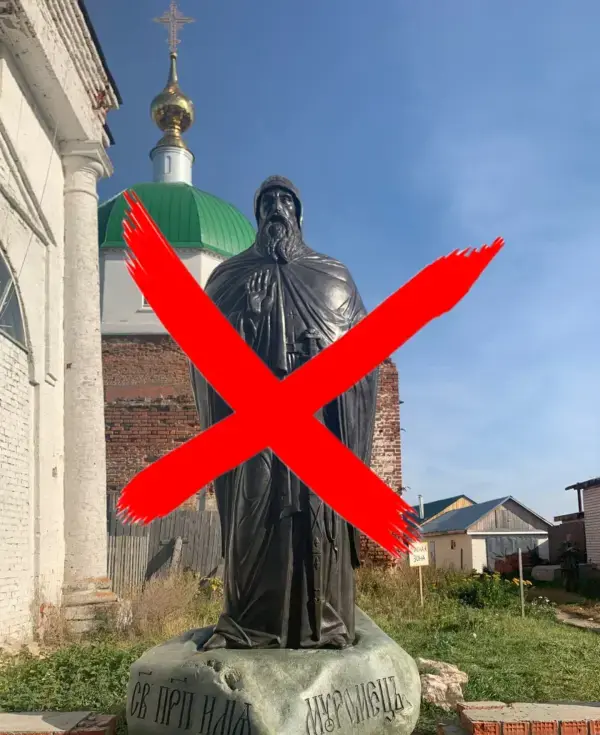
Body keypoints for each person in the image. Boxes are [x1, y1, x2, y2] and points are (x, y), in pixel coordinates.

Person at [190, 176, 379, 650]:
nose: (276, 208)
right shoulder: (229, 277)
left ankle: (325, 624)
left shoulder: (333, 275)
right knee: (254, 513)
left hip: (316, 420)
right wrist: (248, 317)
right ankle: (247, 623)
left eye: (285, 201)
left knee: (318, 515)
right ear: (258, 215)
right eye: (267, 202)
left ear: (298, 213)